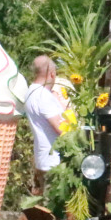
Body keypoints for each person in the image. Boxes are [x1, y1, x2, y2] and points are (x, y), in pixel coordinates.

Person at [24, 55, 66, 193]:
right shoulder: (44, 96)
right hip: (54, 161)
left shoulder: (31, 92)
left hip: (44, 159)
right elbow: (62, 129)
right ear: (52, 74)